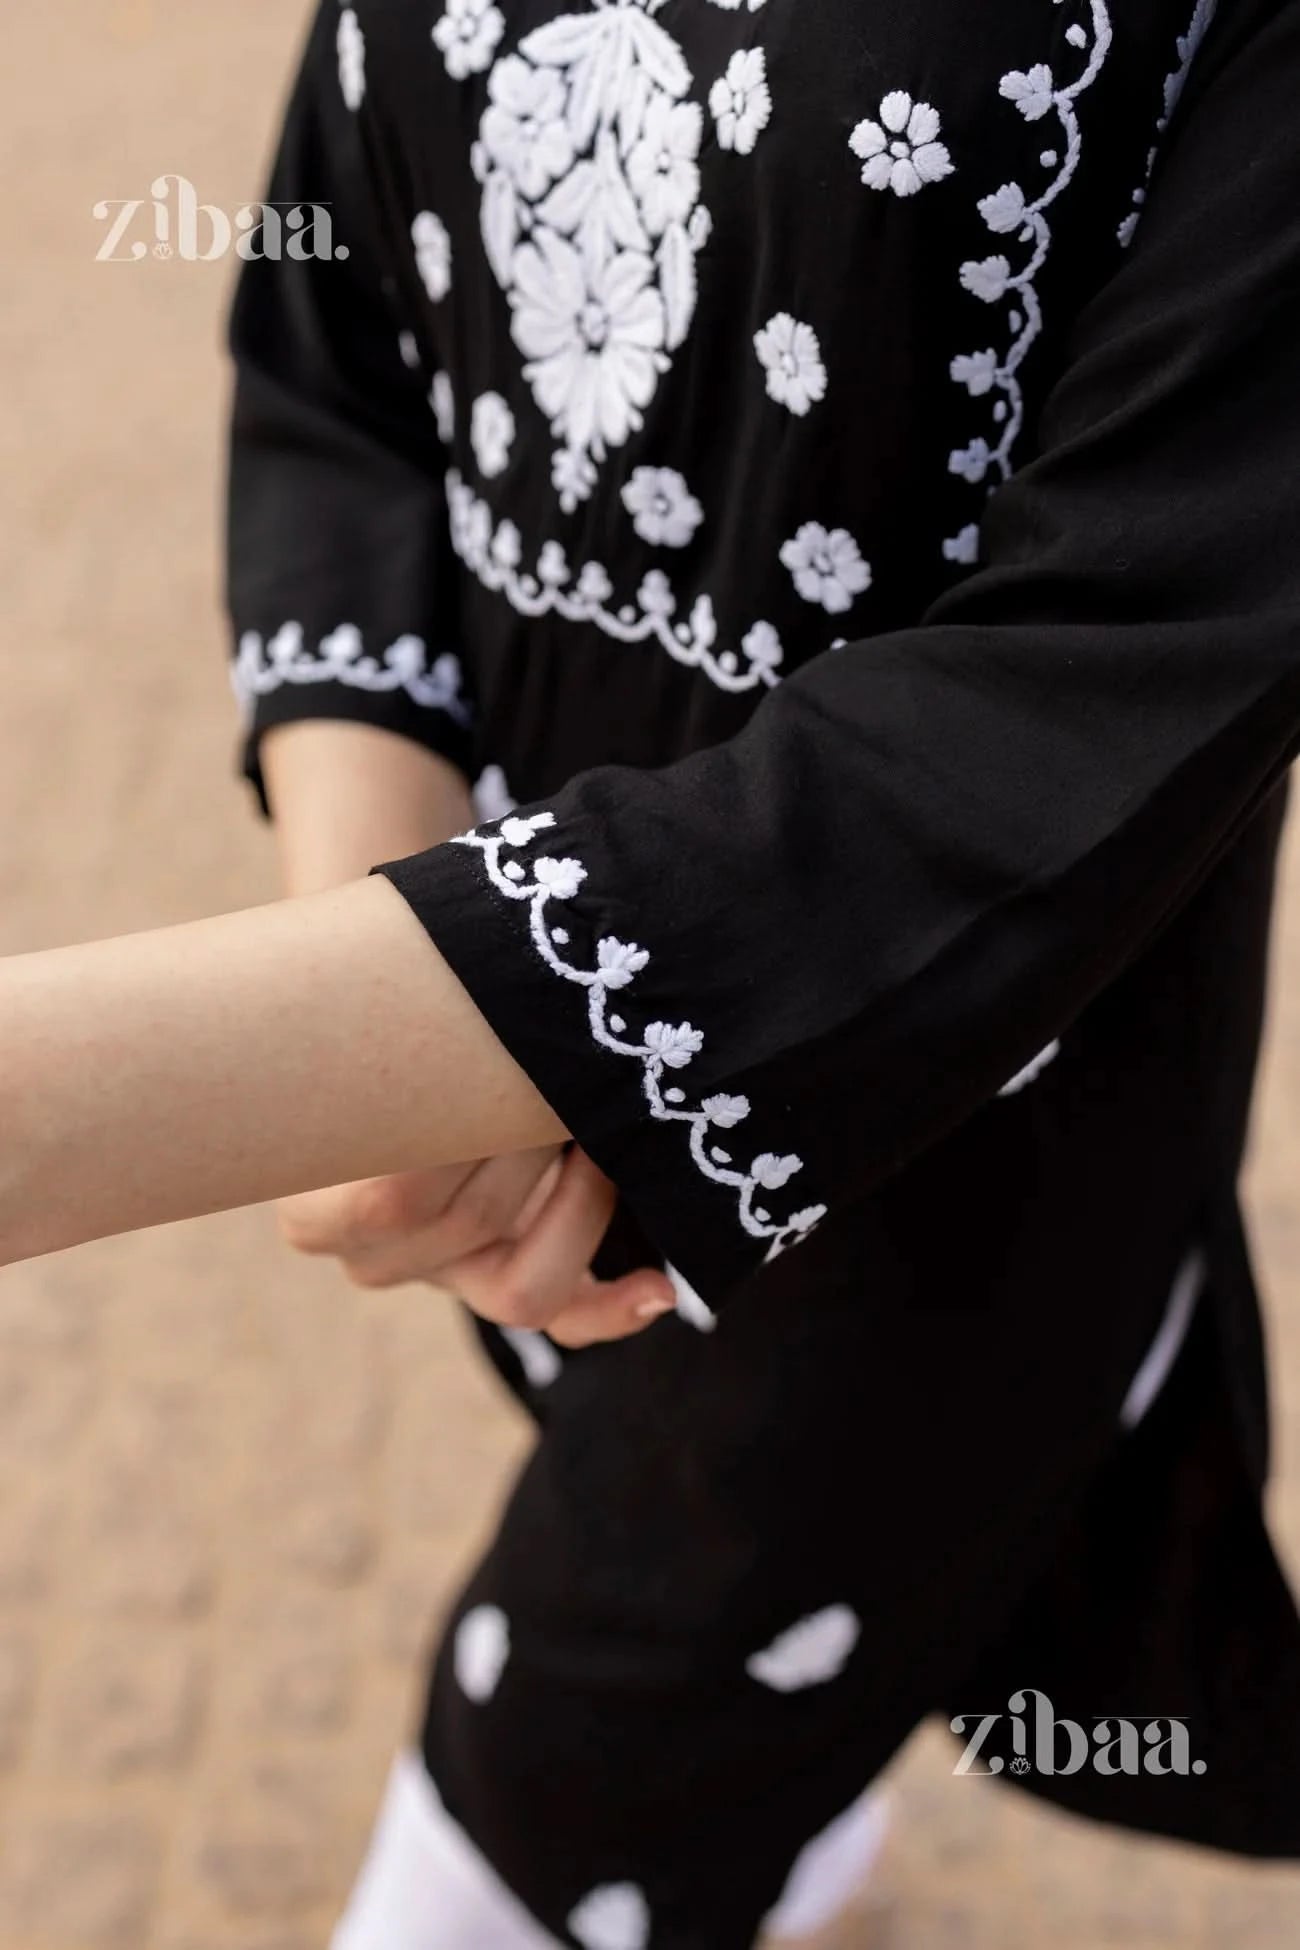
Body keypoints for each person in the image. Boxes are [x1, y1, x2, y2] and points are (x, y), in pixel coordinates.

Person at [6, 0, 1300, 1941]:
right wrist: (385, 988)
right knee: (762, 1684)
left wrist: (91, 1103)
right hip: (508, 1111)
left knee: (534, 1817)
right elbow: (340, 333)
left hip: (938, 1167)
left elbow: (1098, 678)